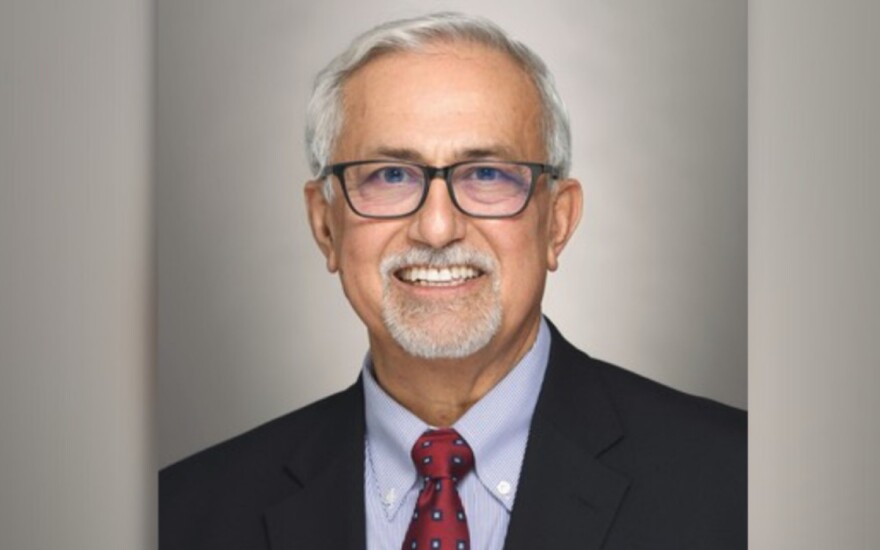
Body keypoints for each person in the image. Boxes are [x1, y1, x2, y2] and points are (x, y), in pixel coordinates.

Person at [160, 12, 746, 550]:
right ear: (326, 226)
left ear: (557, 223)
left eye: (487, 173)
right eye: (389, 174)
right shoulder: (184, 515)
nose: (437, 227)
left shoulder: (737, 485)